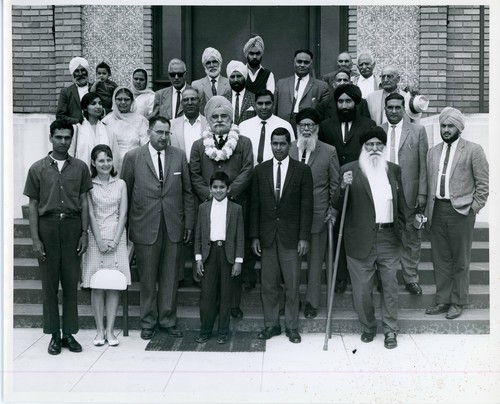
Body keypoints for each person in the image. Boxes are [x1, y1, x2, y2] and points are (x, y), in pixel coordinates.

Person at [121, 116, 196, 340]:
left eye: (167, 133)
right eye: (159, 132)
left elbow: (187, 192)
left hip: (173, 225)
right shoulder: (133, 157)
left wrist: (189, 223)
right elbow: (126, 191)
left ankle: (167, 320)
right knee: (147, 278)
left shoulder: (179, 156)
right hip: (145, 226)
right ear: (149, 132)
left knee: (171, 277)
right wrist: (127, 227)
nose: (163, 137)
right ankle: (148, 321)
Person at [334, 126, 408, 349]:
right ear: (363, 148)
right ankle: (368, 326)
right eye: (370, 145)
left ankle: (390, 330)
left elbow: (401, 204)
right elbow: (336, 205)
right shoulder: (350, 170)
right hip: (359, 239)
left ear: (384, 148)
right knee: (363, 290)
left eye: (378, 145)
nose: (374, 149)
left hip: (388, 237)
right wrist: (342, 186)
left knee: (390, 287)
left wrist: (402, 230)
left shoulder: (393, 170)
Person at [23, 118, 92, 355]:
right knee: (50, 284)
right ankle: (54, 334)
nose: (63, 142)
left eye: (67, 138)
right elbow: (32, 205)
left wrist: (84, 233)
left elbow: (84, 201)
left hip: (72, 227)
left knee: (71, 282)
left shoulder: (81, 167)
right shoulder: (37, 168)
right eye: (59, 137)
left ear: (72, 140)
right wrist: (35, 239)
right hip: (47, 227)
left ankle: (69, 334)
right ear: (50, 138)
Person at [189, 96, 254, 318]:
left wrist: (229, 193)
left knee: (232, 256)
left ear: (231, 118)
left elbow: (247, 169)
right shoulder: (199, 146)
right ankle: (211, 303)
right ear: (208, 119)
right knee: (209, 257)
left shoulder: (243, 142)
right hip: (208, 207)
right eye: (215, 117)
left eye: (224, 116)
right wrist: (210, 195)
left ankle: (232, 304)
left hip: (235, 207)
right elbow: (195, 174)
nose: (219, 120)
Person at [250, 127, 313, 343]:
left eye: (282, 144)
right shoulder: (260, 171)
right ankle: (271, 325)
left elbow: (307, 206)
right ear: (270, 145)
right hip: (267, 236)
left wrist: (304, 237)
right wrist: (255, 236)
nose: (278, 148)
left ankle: (292, 327)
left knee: (292, 283)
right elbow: (255, 205)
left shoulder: (302, 170)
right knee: (268, 284)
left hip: (291, 237)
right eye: (274, 144)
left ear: (290, 145)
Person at [425, 107, 489, 320]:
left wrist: (474, 208)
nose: (445, 129)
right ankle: (443, 300)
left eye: (450, 125)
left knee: (460, 259)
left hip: (461, 212)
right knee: (440, 258)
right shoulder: (433, 151)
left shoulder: (473, 150)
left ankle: (458, 301)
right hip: (437, 211)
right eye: (443, 125)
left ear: (459, 127)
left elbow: (483, 184)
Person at [318, 84, 376, 294]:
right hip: (335, 188)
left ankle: (363, 275)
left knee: (357, 230)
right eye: (340, 101)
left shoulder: (369, 125)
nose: (344, 105)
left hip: (360, 187)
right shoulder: (326, 126)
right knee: (336, 231)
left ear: (356, 103)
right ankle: (339, 276)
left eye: (348, 101)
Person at [289, 109, 339, 318]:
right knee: (292, 261)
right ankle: (292, 301)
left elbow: (335, 185)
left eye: (310, 125)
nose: (306, 129)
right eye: (303, 125)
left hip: (319, 215)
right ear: (297, 128)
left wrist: (333, 209)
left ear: (317, 128)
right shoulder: (289, 148)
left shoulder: (329, 151)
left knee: (316, 261)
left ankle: (311, 302)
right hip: (291, 216)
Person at [380, 93, 428, 295]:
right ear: (385, 109)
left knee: (411, 235)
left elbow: (424, 165)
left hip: (409, 191)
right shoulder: (379, 131)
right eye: (389, 107)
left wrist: (422, 193)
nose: (393, 111)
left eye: (397, 107)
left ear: (403, 109)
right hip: (384, 191)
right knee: (385, 235)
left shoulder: (417, 130)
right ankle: (384, 279)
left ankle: (411, 278)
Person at [82, 144, 130, 347]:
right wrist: (100, 241)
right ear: (93, 163)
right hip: (95, 238)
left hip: (117, 238)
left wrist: (116, 240)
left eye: (108, 159)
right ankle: (99, 331)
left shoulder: (121, 184)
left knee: (113, 285)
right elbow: (90, 213)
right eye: (101, 160)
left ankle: (111, 331)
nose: (105, 164)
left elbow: (123, 213)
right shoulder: (89, 184)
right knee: (98, 285)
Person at [194, 171, 245, 344]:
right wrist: (198, 258)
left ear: (228, 188)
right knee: (207, 294)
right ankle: (205, 330)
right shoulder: (203, 208)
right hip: (209, 254)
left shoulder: (236, 209)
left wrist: (238, 260)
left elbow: (240, 236)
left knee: (225, 295)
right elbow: (199, 235)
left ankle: (223, 332)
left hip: (227, 254)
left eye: (222, 187)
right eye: (215, 187)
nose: (218, 191)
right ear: (209, 188)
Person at [240, 89, 295, 166]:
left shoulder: (285, 125)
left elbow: (292, 152)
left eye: (267, 103)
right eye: (260, 103)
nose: (264, 107)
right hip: (249, 170)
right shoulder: (243, 126)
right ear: (255, 105)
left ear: (273, 104)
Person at [274, 49, 330, 125]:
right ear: (294, 62)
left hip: (308, 127)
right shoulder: (281, 84)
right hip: (283, 125)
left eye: (306, 62)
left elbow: (324, 113)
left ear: (311, 64)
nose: (302, 65)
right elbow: (274, 108)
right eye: (299, 62)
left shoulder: (322, 86)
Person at [102, 86, 149, 173]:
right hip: (112, 164)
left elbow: (146, 145)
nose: (123, 102)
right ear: (114, 100)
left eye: (126, 99)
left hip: (135, 162)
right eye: (119, 99)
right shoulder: (107, 120)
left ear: (132, 101)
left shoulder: (140, 120)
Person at [69, 92, 120, 171]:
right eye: (93, 104)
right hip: (81, 174)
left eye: (100, 103)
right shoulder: (76, 129)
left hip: (104, 175)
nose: (98, 106)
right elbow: (70, 154)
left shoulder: (108, 130)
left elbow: (115, 156)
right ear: (85, 108)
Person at [169, 87, 207, 161]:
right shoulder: (171, 125)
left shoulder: (209, 124)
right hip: (180, 168)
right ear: (181, 103)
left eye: (193, 99)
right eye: (186, 100)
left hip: (203, 170)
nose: (190, 103)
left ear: (199, 101)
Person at [56, 56, 92, 124]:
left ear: (87, 71)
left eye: (83, 70)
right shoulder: (66, 92)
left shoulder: (95, 88)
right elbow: (60, 116)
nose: (80, 74)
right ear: (73, 74)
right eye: (77, 71)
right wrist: (78, 121)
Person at [225, 60, 256, 125]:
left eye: (239, 76)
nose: (236, 80)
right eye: (232, 77)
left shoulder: (254, 98)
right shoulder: (223, 99)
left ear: (245, 78)